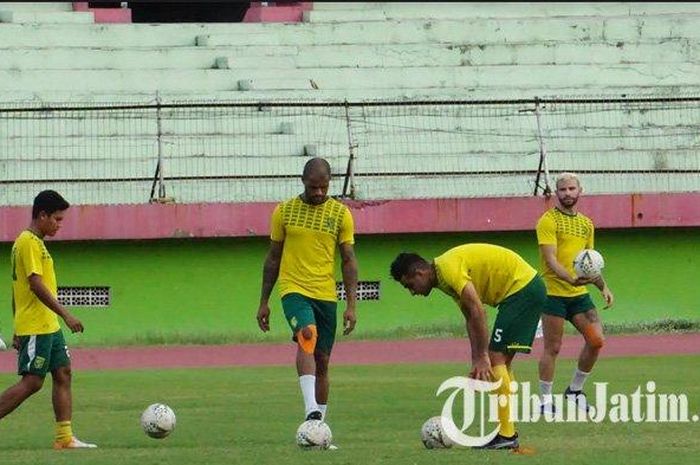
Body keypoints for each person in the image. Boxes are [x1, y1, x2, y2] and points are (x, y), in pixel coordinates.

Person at [390, 243, 546, 450]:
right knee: (501, 362)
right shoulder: (444, 280)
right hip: (523, 290)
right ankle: (507, 433)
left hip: (522, 289)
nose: (412, 292)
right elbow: (470, 317)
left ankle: (507, 435)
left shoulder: (448, 268)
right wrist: (476, 360)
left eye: (409, 285)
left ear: (420, 273)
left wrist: (483, 356)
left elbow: (479, 311)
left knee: (495, 358)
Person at [256, 158, 358, 438]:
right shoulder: (284, 212)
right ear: (303, 181)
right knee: (307, 334)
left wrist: (351, 305)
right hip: (293, 289)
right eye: (314, 187)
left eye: (323, 187)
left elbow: (348, 260)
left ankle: (318, 428)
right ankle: (310, 410)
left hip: (325, 294)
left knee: (323, 361)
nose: (319, 193)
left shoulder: (341, 214)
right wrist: (264, 301)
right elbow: (273, 258)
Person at [0, 190, 97, 449]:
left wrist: (15, 326)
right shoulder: (28, 242)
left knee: (63, 373)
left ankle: (64, 437)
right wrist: (66, 314)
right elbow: (34, 285)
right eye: (57, 219)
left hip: (47, 325)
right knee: (32, 382)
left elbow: (15, 289)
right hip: (37, 325)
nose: (59, 224)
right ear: (42, 215)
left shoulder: (37, 243)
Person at [536, 173, 614, 414]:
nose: (567, 193)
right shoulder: (547, 221)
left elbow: (589, 262)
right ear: (556, 193)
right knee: (553, 348)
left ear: (580, 190)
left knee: (596, 340)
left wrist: (603, 286)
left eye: (571, 188)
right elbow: (550, 260)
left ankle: (574, 391)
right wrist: (569, 278)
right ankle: (545, 402)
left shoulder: (586, 224)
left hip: (578, 295)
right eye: (562, 189)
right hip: (553, 293)